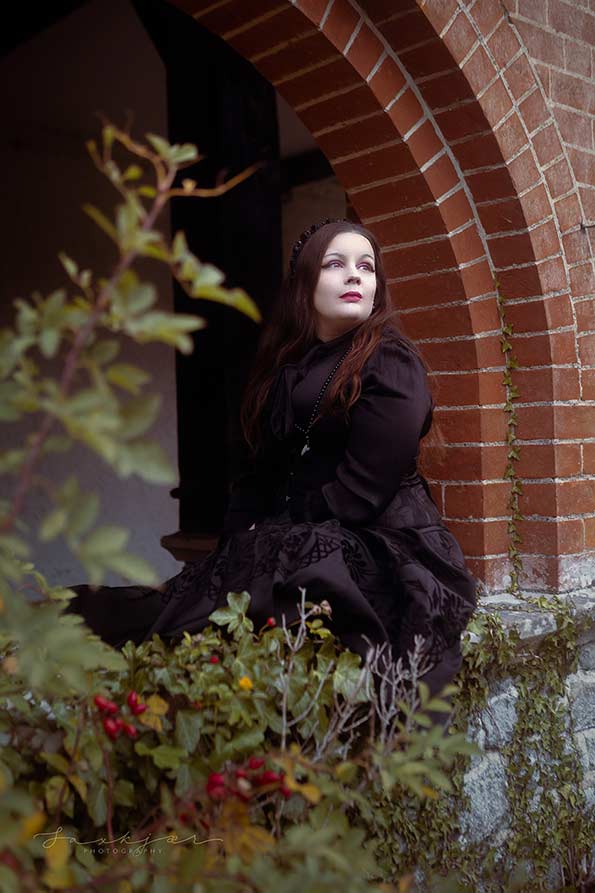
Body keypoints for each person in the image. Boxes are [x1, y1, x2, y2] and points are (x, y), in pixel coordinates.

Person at [66, 219, 478, 706]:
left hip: (386, 540)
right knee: (205, 585)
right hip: (315, 530)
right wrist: (239, 544)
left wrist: (273, 536)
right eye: (335, 264)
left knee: (297, 566)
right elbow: (259, 473)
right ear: (304, 285)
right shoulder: (288, 368)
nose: (354, 276)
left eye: (366, 267)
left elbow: (365, 491)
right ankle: (81, 622)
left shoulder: (391, 362)